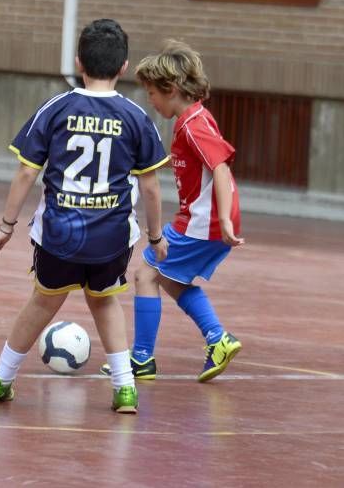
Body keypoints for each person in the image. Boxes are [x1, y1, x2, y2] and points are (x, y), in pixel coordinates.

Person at [0, 19, 170, 414]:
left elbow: (27, 172)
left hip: (60, 234)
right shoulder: (136, 118)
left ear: (78, 61)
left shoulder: (56, 107)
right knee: (105, 303)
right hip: (112, 237)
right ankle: (125, 389)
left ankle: (0, 379)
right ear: (124, 67)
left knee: (43, 302)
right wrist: (155, 237)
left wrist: (6, 226)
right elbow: (150, 187)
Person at [101, 39, 244, 382]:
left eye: (152, 93)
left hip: (202, 222)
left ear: (172, 89)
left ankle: (141, 359)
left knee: (145, 275)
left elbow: (221, 168)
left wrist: (223, 219)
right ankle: (217, 338)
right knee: (168, 277)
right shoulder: (192, 120)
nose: (150, 100)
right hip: (203, 220)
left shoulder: (194, 125)